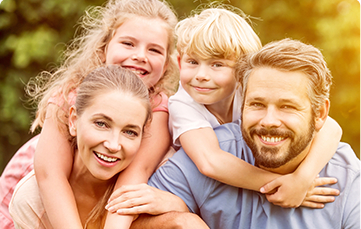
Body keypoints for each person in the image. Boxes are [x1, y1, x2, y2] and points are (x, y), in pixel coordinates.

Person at [105, 5, 341, 216]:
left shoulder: (249, 93)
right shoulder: (183, 103)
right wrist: (281, 184)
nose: (201, 75)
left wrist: (302, 179)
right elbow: (210, 162)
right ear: (180, 62)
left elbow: (330, 126)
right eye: (193, 62)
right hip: (194, 187)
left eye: (217, 64)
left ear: (242, 71)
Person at [132, 38, 361, 229]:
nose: (269, 121)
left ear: (320, 114)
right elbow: (131, 219)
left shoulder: (349, 179)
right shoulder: (209, 151)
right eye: (257, 104)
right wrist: (181, 221)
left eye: (287, 107)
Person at [0, 0, 179, 228]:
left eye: (154, 49)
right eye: (128, 43)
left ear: (165, 65)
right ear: (104, 48)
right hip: (31, 190)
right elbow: (50, 176)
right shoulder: (71, 94)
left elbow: (131, 182)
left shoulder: (159, 108)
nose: (140, 56)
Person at [9, 65, 152, 228]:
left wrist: (173, 204)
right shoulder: (32, 201)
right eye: (101, 124)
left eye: (130, 132)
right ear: (73, 121)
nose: (113, 145)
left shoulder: (151, 187)